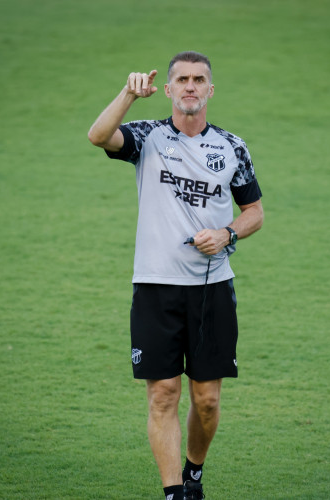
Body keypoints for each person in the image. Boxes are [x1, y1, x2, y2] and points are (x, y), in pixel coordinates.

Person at [87, 51, 263, 500]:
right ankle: (172, 494)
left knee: (206, 401)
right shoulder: (147, 137)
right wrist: (128, 94)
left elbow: (255, 213)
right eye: (181, 79)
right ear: (167, 90)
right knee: (163, 394)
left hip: (210, 289)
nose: (190, 86)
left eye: (198, 79)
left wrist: (226, 234)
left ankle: (193, 476)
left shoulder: (232, 147)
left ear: (209, 89)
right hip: (155, 286)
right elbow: (98, 136)